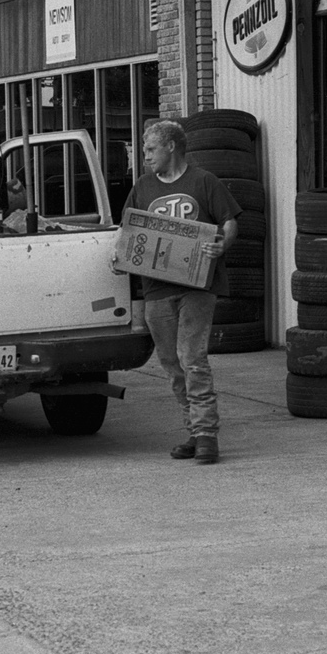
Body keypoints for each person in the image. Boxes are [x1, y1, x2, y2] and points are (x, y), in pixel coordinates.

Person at [127, 119, 241, 464]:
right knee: (172, 364)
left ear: (171, 147)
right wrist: (121, 256)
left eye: (150, 149)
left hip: (197, 287)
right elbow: (128, 230)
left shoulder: (204, 181)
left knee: (193, 359)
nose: (145, 156)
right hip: (156, 290)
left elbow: (230, 221)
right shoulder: (142, 187)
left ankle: (207, 435)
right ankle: (193, 431)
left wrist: (222, 245)